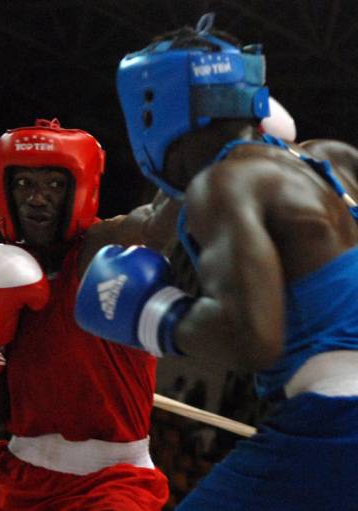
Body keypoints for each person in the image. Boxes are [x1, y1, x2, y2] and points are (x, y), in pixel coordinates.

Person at [75, 13, 358, 511]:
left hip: (336, 421)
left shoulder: (223, 183)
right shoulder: (332, 160)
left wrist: (151, 314)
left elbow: (253, 336)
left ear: (152, 108)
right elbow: (151, 222)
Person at [0, 118, 172, 510]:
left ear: (79, 190)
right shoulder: (4, 272)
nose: (37, 198)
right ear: (5, 191)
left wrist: (220, 153)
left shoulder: (104, 248)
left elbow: (160, 223)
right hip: (13, 474)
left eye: (54, 185)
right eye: (24, 183)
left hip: (109, 483)